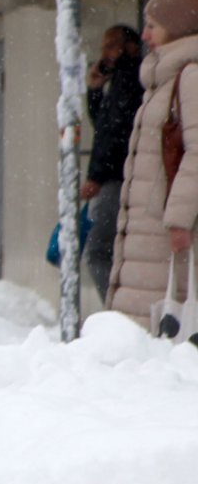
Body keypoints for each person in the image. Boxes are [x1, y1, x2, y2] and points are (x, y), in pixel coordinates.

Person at [111, 0, 198, 332]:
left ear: (178, 29)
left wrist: (178, 220)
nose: (144, 34)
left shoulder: (190, 76)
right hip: (153, 231)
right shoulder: (165, 78)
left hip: (169, 233)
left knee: (158, 330)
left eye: (153, 25)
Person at [82, 23, 142, 304]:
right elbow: (103, 125)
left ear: (127, 47)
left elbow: (115, 134)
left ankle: (116, 310)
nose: (104, 53)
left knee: (98, 251)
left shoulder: (130, 80)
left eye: (110, 46)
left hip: (117, 179)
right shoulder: (120, 80)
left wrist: (96, 175)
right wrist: (95, 91)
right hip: (116, 177)